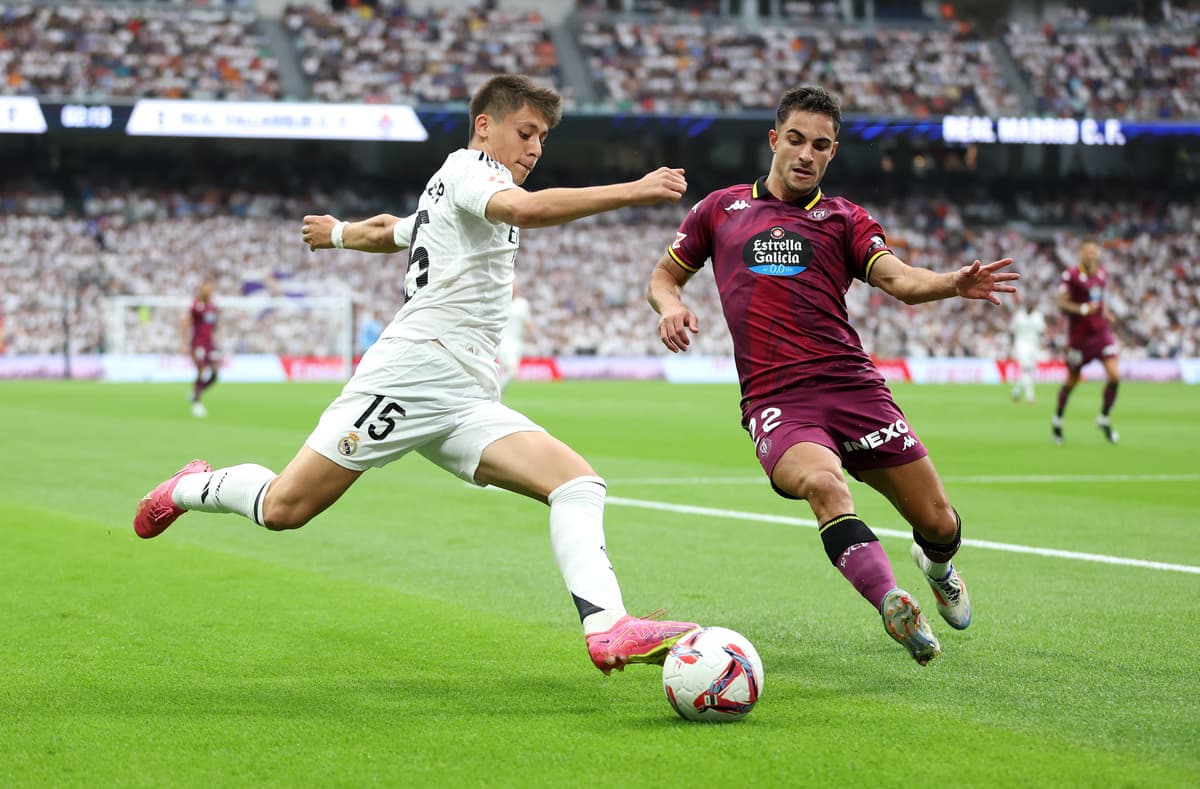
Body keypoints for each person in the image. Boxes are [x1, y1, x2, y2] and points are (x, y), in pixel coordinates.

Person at [134, 74, 696, 675]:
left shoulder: (456, 189)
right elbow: (525, 209)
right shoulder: (470, 170)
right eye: (525, 132)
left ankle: (609, 629)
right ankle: (187, 487)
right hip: (411, 374)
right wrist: (633, 190)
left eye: (543, 139)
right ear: (486, 126)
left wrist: (339, 234)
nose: (535, 148)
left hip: (466, 394)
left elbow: (392, 231)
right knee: (284, 508)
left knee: (578, 484)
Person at [647, 85, 1018, 665]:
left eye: (820, 146)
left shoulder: (845, 218)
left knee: (938, 522)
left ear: (832, 153)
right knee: (824, 486)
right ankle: (891, 599)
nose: (806, 154)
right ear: (774, 140)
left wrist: (953, 282)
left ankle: (937, 566)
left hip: (854, 389)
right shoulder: (719, 210)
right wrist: (670, 306)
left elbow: (898, 279)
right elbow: (664, 277)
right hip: (777, 398)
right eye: (795, 140)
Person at [1052, 237, 1120, 445]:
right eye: (1087, 251)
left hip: (1101, 334)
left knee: (1114, 376)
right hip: (1079, 338)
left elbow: (1100, 298)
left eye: (1094, 251)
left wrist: (1106, 312)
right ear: (1081, 253)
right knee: (1071, 382)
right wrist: (1081, 309)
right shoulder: (1070, 275)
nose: (1091, 255)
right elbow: (1061, 304)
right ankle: (1058, 419)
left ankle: (1103, 417)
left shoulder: (1102, 274)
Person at [184, 279, 219, 418]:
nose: (210, 290)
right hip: (197, 343)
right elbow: (186, 324)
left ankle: (196, 392)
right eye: (207, 287)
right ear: (202, 288)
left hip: (209, 343)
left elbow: (214, 325)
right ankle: (196, 403)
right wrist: (184, 344)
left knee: (215, 373)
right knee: (201, 371)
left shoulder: (213, 307)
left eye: (211, 288)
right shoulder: (195, 305)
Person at [1008, 291, 1046, 404]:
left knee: (1029, 372)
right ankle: (1030, 396)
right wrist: (1013, 345)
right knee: (1026, 369)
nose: (1030, 305)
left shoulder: (1038, 316)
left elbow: (1042, 331)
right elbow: (1012, 331)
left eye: (1032, 303)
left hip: (1034, 346)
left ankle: (1016, 392)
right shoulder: (1019, 315)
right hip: (1021, 345)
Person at [498, 283, 532, 393]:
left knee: (510, 371)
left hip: (517, 343)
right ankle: (495, 394)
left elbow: (528, 323)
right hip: (503, 342)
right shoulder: (499, 303)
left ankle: (495, 393)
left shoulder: (522, 304)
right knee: (512, 370)